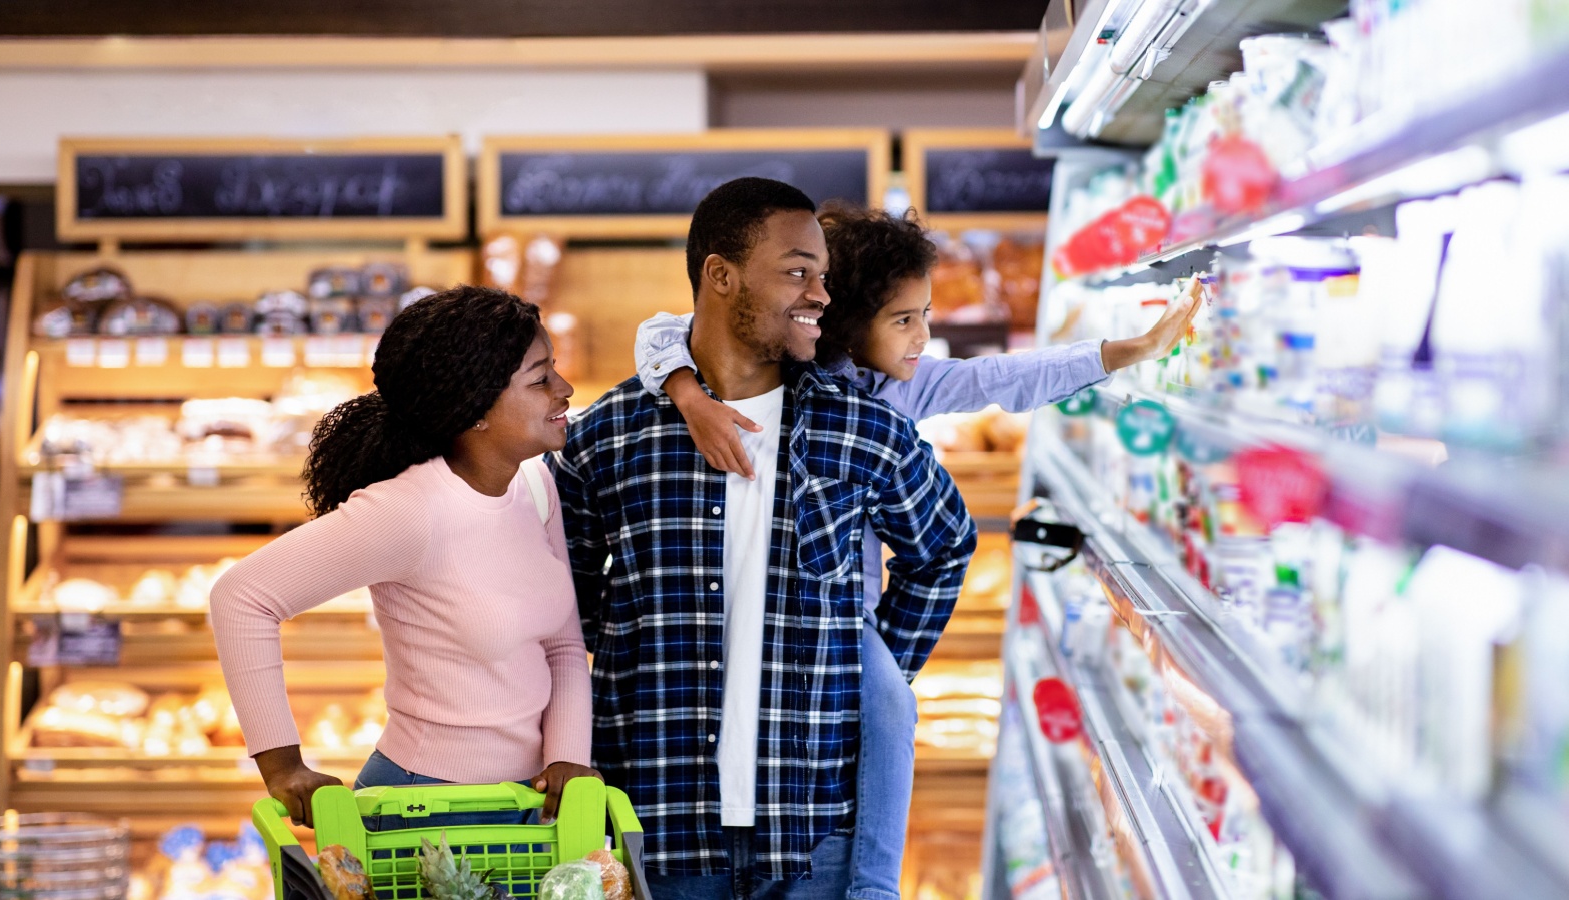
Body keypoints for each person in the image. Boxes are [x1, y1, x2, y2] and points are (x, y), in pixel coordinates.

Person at [633, 203, 1201, 900]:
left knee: (889, 706)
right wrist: (687, 393)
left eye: (926, 315)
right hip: (746, 603)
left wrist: (1126, 352)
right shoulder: (778, 364)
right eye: (904, 319)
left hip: (844, 617)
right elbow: (662, 332)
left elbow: (1000, 380)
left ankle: (873, 883)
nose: (923, 337)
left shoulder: (903, 387)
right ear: (844, 317)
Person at [552, 178, 977, 900]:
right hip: (657, 828)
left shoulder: (862, 429)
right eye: (796, 272)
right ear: (720, 275)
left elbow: (942, 546)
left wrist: (872, 671)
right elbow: (570, 600)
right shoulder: (611, 436)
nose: (820, 293)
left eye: (824, 275)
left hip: (813, 833)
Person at [210, 285, 598, 830]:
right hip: (425, 810)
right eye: (539, 379)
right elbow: (241, 597)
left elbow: (562, 644)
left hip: (529, 806)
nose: (564, 389)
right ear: (476, 410)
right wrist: (282, 766)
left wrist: (568, 760)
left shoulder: (533, 485)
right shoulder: (410, 511)